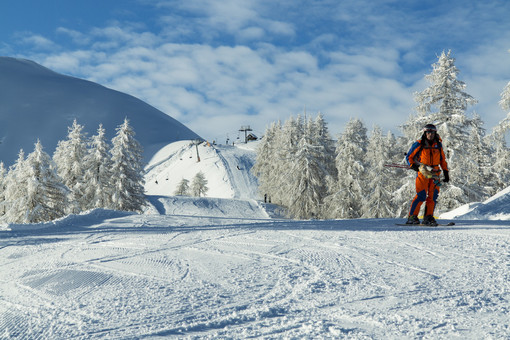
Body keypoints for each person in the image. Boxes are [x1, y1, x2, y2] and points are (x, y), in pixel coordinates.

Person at [405, 124, 450, 225]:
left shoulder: (438, 145)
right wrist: (413, 166)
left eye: (432, 132)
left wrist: (446, 172)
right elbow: (409, 157)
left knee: (433, 197)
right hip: (423, 173)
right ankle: (412, 217)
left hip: (435, 173)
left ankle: (428, 217)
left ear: (435, 133)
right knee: (421, 195)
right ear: (425, 133)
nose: (430, 134)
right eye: (428, 132)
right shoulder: (419, 144)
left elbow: (442, 160)